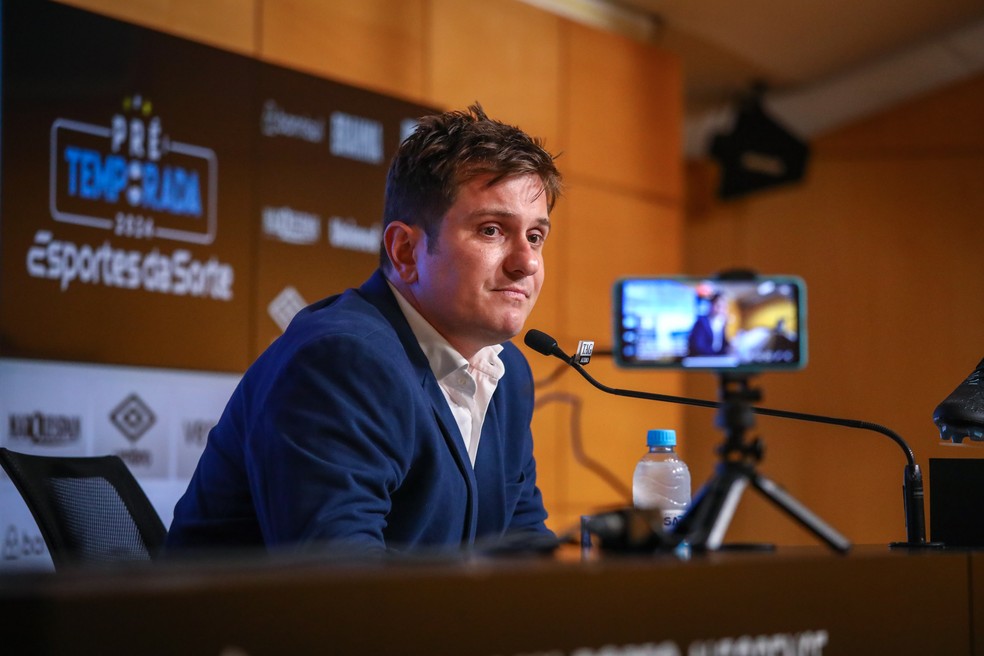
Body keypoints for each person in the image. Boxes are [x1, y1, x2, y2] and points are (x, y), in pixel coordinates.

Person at [166, 104, 562, 555]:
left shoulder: (508, 374)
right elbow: (342, 588)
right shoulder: (340, 360)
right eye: (492, 230)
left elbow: (526, 552)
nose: (527, 262)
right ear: (406, 251)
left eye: (535, 237)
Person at [687, 292, 730, 357]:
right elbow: (699, 347)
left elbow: (724, 346)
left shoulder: (723, 324)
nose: (720, 310)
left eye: (723, 307)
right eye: (718, 306)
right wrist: (715, 356)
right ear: (711, 305)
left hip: (716, 359)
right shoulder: (702, 322)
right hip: (700, 359)